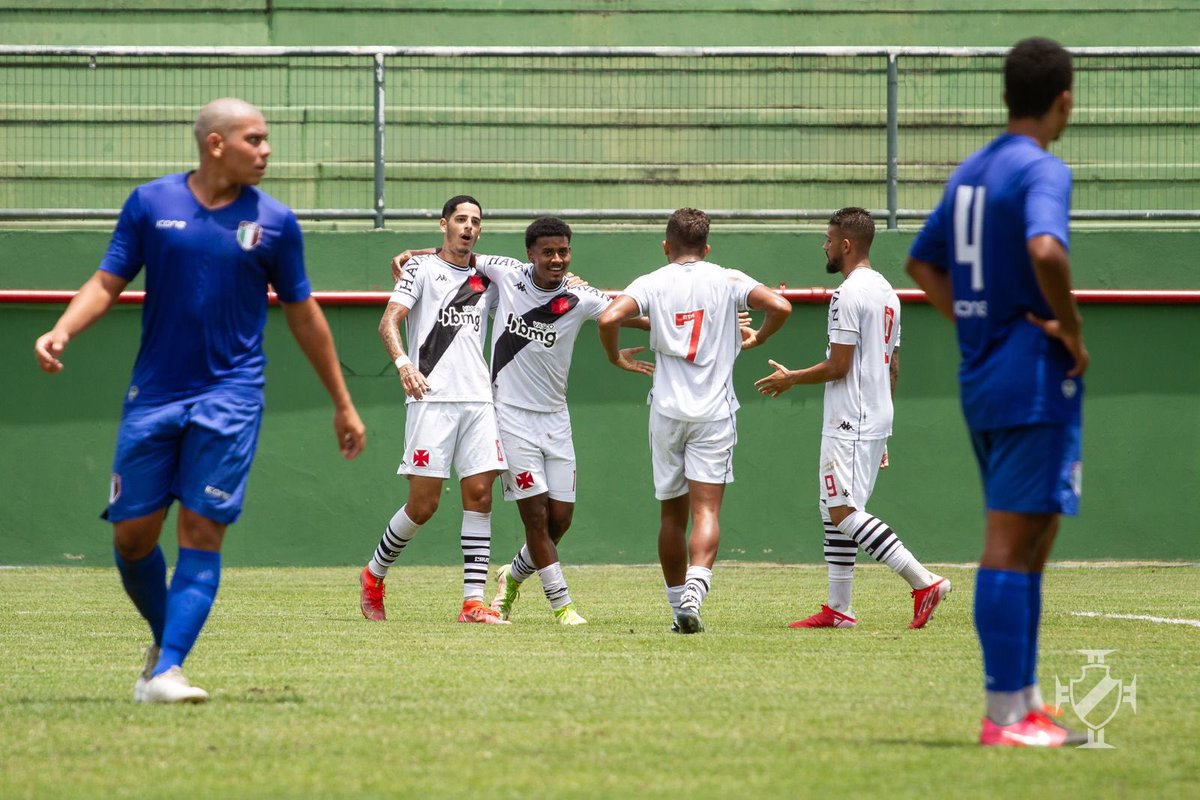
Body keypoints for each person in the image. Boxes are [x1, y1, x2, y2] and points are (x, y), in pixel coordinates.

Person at [32, 97, 367, 704]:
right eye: (254, 139)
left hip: (232, 394)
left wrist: (342, 402)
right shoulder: (150, 203)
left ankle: (167, 671)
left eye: (266, 140)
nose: (266, 151)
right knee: (132, 538)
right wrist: (62, 330)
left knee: (201, 529)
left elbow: (304, 314)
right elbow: (107, 281)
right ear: (216, 143)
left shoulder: (276, 221)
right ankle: (164, 647)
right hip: (154, 395)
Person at [905, 38, 1088, 748]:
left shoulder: (971, 172)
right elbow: (1046, 248)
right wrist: (1068, 328)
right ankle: (1006, 717)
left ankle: (1025, 701)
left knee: (1033, 536)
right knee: (1012, 543)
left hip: (984, 375)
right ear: (1064, 100)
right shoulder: (1042, 169)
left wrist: (975, 322)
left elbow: (922, 262)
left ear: (1007, 95)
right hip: (1031, 377)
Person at [598, 208, 792, 633]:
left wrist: (615, 358)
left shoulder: (652, 281)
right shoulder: (727, 279)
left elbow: (609, 317)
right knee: (706, 512)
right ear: (706, 248)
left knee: (672, 517)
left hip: (667, 413)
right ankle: (693, 596)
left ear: (666, 246)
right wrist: (758, 337)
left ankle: (677, 609)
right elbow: (780, 306)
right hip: (714, 414)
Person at [754, 208, 950, 630]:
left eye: (828, 239)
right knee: (833, 509)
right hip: (871, 417)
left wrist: (791, 378)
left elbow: (839, 366)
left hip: (850, 418)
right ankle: (839, 609)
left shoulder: (847, 294)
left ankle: (924, 581)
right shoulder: (888, 293)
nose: (824, 246)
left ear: (845, 245)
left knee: (843, 511)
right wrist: (883, 430)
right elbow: (892, 365)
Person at [359, 195, 509, 625]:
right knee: (423, 506)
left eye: (475, 221)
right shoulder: (420, 269)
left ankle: (472, 603)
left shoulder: (487, 279)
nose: (468, 226)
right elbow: (388, 321)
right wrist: (404, 365)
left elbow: (532, 275)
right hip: (431, 398)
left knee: (480, 496)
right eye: (460, 219)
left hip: (478, 399)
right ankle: (374, 574)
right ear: (444, 224)